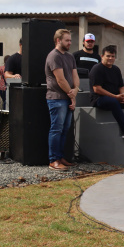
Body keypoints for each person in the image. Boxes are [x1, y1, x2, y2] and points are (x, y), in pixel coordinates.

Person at [45, 29, 79, 171]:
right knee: (56, 129)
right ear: (58, 40)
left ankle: (60, 157)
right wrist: (72, 95)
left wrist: (76, 90)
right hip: (57, 98)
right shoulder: (54, 56)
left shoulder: (70, 56)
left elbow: (74, 75)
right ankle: (54, 160)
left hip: (68, 97)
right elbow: (60, 79)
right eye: (67, 40)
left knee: (64, 129)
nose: (70, 42)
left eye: (70, 40)